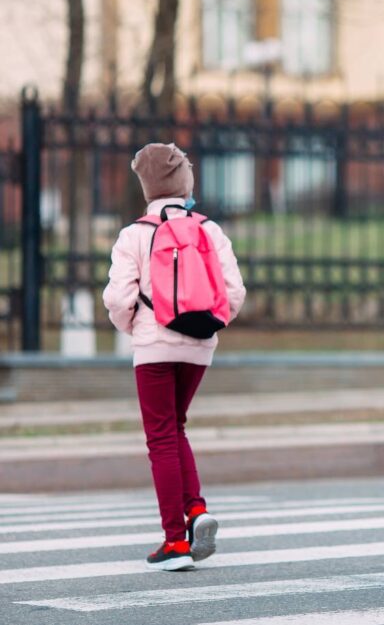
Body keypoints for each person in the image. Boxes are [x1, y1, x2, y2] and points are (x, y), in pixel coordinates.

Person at [103, 143, 246, 571]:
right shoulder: (210, 229)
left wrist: (135, 328)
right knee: (176, 427)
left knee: (161, 436)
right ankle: (196, 510)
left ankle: (175, 542)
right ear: (186, 183)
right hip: (200, 346)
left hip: (153, 345)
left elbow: (117, 297)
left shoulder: (134, 234)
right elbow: (234, 291)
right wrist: (211, 326)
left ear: (146, 186)